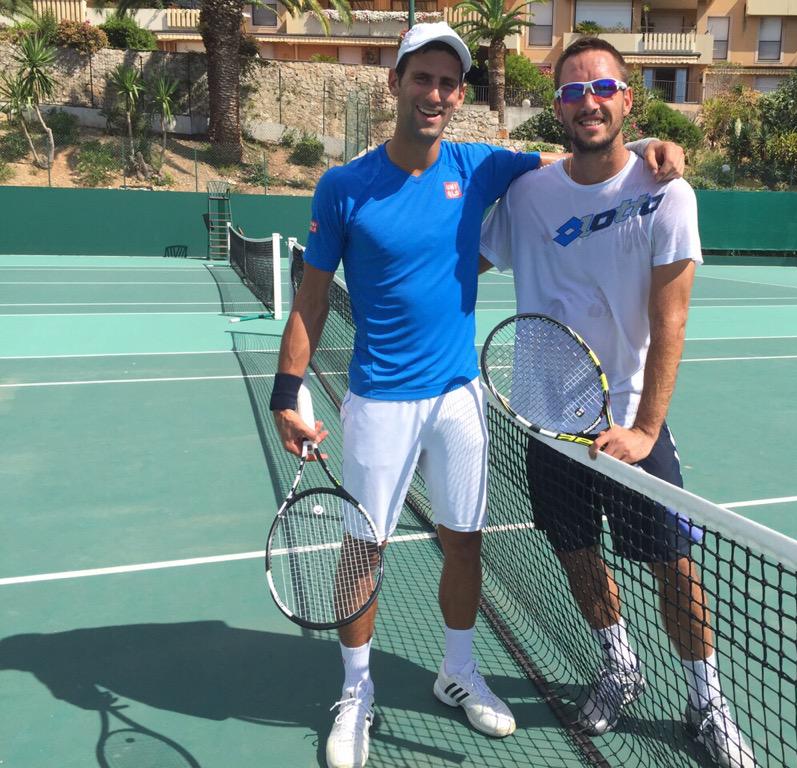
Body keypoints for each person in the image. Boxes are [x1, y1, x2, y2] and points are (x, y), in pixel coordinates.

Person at [269, 23, 687, 768]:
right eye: (421, 78)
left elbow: (581, 160)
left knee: (464, 544)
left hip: (460, 398)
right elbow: (312, 301)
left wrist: (659, 153)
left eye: (446, 83)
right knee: (365, 550)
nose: (433, 93)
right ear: (393, 83)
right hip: (379, 402)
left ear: (460, 96)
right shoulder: (343, 188)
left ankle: (457, 672)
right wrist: (286, 392)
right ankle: (356, 691)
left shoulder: (483, 166)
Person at [479, 37, 758, 768]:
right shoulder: (528, 195)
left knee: (675, 569)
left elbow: (673, 319)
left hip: (633, 428)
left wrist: (644, 429)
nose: (588, 102)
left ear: (628, 98)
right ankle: (619, 663)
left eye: (602, 89)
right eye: (572, 93)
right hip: (550, 425)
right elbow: (458, 253)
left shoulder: (667, 190)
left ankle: (707, 699)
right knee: (575, 557)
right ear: (558, 107)